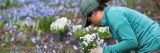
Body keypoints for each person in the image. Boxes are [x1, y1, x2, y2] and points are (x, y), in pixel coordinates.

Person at [80, 0, 160, 53]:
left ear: (94, 12)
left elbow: (131, 43)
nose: (92, 24)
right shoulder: (110, 17)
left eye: (89, 21)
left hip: (154, 45)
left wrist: (103, 50)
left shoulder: (114, 15)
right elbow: (126, 46)